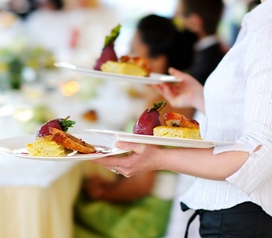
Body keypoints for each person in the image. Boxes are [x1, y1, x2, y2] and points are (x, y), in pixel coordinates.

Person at [93, 0, 272, 237]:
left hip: (241, 223)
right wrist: (200, 98)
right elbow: (252, 124)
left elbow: (258, 154)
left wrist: (157, 158)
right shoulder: (270, 26)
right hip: (239, 218)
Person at [74, 14, 197, 238]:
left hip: (146, 215)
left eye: (134, 51)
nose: (126, 57)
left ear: (157, 59)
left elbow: (141, 186)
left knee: (69, 216)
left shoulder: (158, 107)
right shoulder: (181, 97)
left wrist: (102, 193)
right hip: (158, 205)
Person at [175, 0, 225, 86]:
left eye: (180, 15)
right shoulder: (220, 53)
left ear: (194, 22)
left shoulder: (204, 65)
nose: (177, 20)